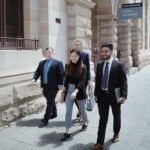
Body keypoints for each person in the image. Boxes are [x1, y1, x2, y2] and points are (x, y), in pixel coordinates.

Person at [92, 44, 128, 150]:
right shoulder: (99, 65)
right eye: (102, 51)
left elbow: (123, 81)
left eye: (106, 51)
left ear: (111, 52)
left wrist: (123, 95)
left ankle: (116, 134)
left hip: (115, 96)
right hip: (102, 96)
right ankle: (99, 143)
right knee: (102, 119)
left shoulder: (118, 65)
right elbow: (98, 81)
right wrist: (96, 94)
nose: (103, 53)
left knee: (116, 116)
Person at [32, 47, 64, 127]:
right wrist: (34, 78)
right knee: (50, 99)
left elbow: (61, 74)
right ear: (44, 54)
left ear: (53, 53)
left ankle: (46, 119)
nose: (48, 54)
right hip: (45, 86)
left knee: (49, 102)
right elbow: (38, 71)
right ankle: (54, 113)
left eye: (49, 52)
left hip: (54, 86)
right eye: (46, 53)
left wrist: (61, 85)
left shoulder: (58, 63)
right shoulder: (41, 63)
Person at [61, 48, 88, 141]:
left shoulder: (83, 67)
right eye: (71, 56)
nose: (73, 58)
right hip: (69, 90)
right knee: (68, 111)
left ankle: (85, 122)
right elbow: (66, 79)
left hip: (79, 91)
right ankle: (67, 131)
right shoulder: (68, 66)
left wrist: (75, 91)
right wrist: (64, 91)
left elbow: (81, 82)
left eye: (75, 56)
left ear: (79, 56)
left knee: (82, 109)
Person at [72, 40, 91, 121]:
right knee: (75, 97)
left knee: (82, 96)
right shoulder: (72, 54)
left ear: (81, 46)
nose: (76, 46)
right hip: (74, 79)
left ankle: (81, 114)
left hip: (83, 79)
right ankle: (80, 109)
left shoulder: (85, 54)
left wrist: (89, 79)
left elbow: (88, 67)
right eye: (75, 44)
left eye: (78, 45)